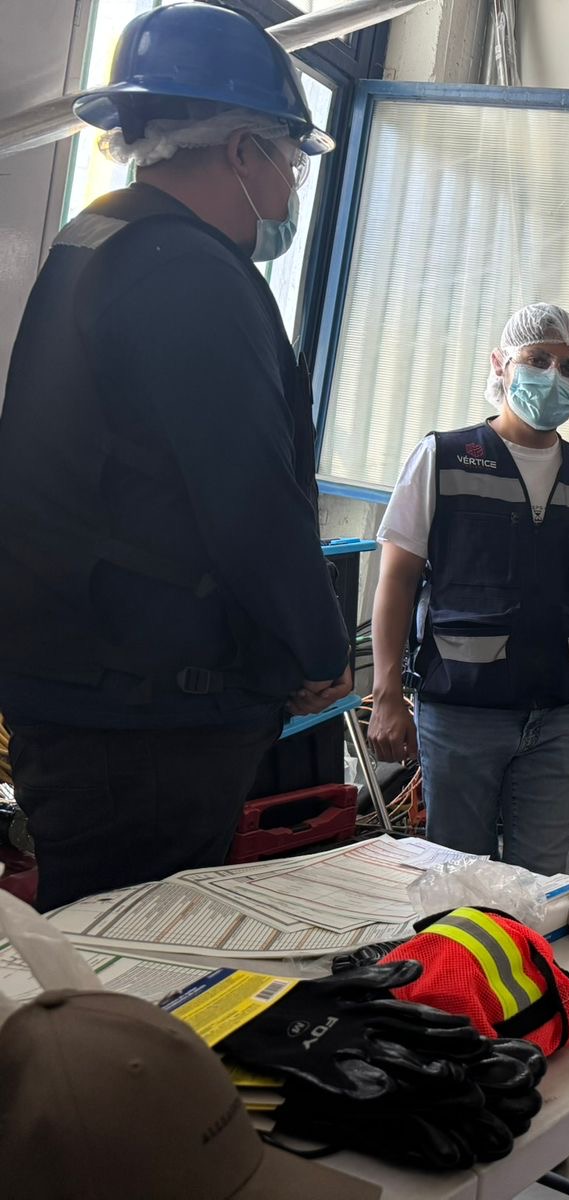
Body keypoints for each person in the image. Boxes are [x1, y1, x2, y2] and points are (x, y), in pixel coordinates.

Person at [0, 4, 350, 911]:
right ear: (241, 151)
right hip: (145, 711)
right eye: (290, 157)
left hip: (86, 685)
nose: (292, 184)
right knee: (138, 948)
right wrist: (318, 647)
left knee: (96, 935)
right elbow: (250, 497)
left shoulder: (101, 240)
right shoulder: (188, 273)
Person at [366, 304, 569, 875]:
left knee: (542, 880)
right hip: (462, 712)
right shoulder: (444, 456)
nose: (553, 376)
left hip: (560, 715)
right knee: (458, 874)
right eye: (537, 359)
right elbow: (397, 578)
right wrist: (386, 693)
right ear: (500, 364)